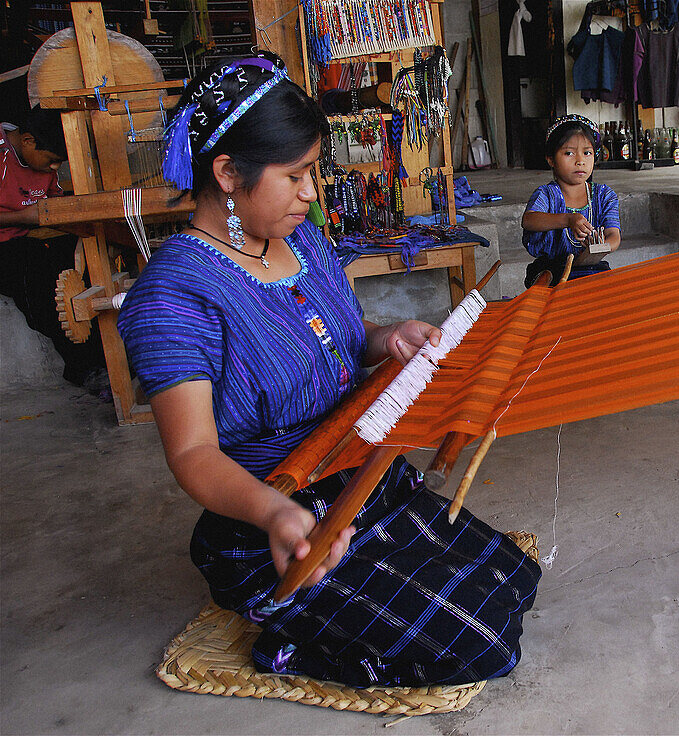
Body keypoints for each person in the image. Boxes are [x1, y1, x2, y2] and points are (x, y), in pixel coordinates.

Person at [117, 53, 540, 689]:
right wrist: (274, 515)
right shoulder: (176, 296)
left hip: (357, 474)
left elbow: (341, 342)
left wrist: (388, 337)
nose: (311, 193)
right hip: (278, 517)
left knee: (513, 582)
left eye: (313, 172)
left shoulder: (307, 243)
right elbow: (195, 452)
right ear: (229, 173)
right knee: (482, 645)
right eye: (296, 176)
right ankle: (282, 648)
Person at [0, 106, 106, 386]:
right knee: (38, 277)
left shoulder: (40, 161)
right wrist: (23, 217)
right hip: (6, 244)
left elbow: (52, 202)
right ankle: (84, 367)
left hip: (36, 234)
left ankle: (107, 359)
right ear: (27, 141)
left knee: (84, 258)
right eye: (52, 161)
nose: (54, 168)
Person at [521, 114, 621, 287]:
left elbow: (614, 235)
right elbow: (529, 220)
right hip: (551, 270)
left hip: (590, 268)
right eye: (569, 153)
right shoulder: (546, 194)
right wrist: (568, 219)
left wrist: (599, 247)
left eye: (587, 153)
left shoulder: (604, 195)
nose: (580, 161)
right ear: (551, 159)